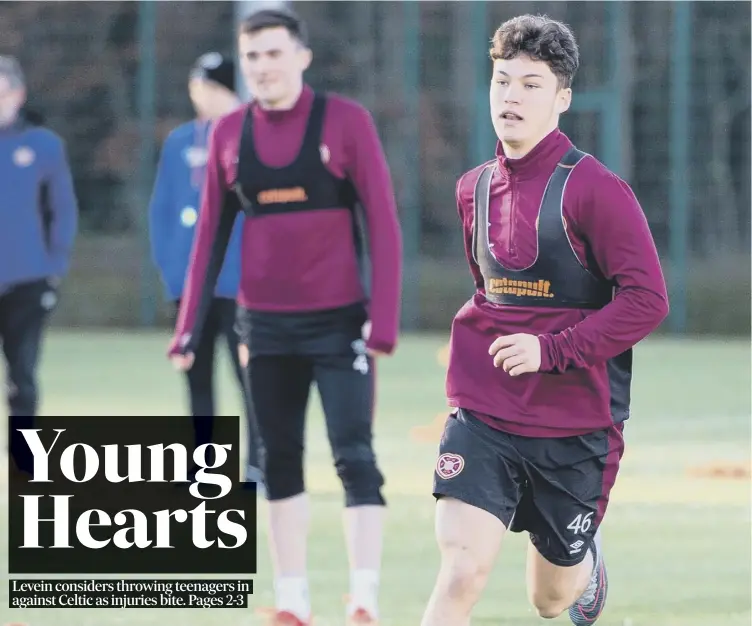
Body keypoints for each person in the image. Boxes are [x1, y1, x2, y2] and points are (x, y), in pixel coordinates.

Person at [421, 15, 669, 626]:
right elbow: (490, 294)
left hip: (575, 422)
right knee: (460, 572)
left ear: (562, 98)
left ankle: (585, 567)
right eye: (502, 81)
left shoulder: (597, 190)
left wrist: (550, 350)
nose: (510, 96)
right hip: (483, 409)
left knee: (550, 600)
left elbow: (647, 300)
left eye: (531, 84)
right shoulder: (471, 189)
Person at [168, 8, 403, 626]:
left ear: (301, 56)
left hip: (340, 326)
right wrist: (188, 326)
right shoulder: (227, 135)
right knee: (276, 459)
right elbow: (209, 242)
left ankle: (363, 599)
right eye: (252, 58)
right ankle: (293, 601)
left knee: (354, 455)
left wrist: (383, 321)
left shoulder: (346, 123)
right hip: (264, 328)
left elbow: (382, 225)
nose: (263, 67)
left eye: (274, 54)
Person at [148, 51, 264, 486]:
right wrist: (172, 271)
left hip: (241, 287)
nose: (203, 97)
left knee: (250, 379)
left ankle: (256, 465)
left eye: (213, 89)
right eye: (198, 88)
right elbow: (161, 210)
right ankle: (205, 466)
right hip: (191, 288)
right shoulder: (179, 142)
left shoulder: (252, 138)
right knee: (196, 379)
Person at [0, 56, 78, 471]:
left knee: (23, 374)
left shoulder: (44, 146)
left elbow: (61, 210)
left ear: (18, 95)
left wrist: (54, 267)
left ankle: (23, 453)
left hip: (27, 279)